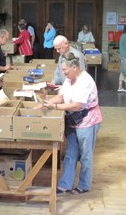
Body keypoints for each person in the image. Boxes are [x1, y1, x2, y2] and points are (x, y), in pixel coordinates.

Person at [35, 51, 102, 195]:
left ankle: (84, 185)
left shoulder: (85, 81)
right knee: (71, 153)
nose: (63, 72)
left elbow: (77, 105)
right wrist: (44, 105)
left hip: (87, 121)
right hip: (72, 120)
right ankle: (65, 184)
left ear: (74, 68)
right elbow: (60, 97)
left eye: (65, 70)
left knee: (85, 155)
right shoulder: (68, 79)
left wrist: (55, 107)